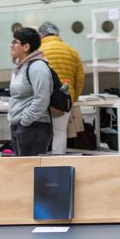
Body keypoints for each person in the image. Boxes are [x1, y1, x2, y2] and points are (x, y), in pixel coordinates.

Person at [38, 22, 85, 155]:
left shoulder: (38, 51)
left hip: (42, 98)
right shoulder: (71, 51)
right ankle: (58, 161)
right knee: (59, 132)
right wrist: (73, 98)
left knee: (40, 131)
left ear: (41, 35)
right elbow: (80, 78)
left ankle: (39, 160)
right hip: (63, 100)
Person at [8, 27, 54, 157]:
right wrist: (14, 121)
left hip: (34, 127)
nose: (11, 45)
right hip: (20, 125)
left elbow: (42, 99)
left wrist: (25, 121)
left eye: (15, 42)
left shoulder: (37, 67)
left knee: (30, 167)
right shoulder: (19, 66)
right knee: (22, 167)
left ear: (26, 47)